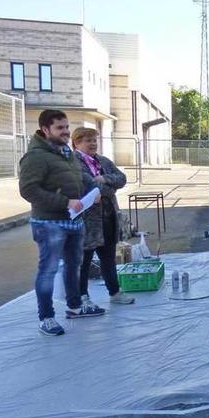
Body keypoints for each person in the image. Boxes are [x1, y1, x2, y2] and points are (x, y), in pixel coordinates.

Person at [19, 110, 105, 337]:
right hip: (49, 224)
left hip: (74, 221)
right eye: (60, 128)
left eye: (67, 127)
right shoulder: (35, 156)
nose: (66, 132)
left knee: (72, 266)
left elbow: (75, 180)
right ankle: (46, 318)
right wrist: (65, 201)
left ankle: (75, 307)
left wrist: (91, 193)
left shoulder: (67, 152)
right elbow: (28, 190)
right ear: (45, 130)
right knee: (47, 271)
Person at [71, 127, 135, 307]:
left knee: (108, 257)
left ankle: (114, 292)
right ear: (76, 142)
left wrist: (105, 179)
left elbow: (121, 178)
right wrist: (107, 187)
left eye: (94, 140)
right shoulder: (73, 163)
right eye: (88, 140)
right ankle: (82, 297)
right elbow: (90, 186)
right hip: (87, 222)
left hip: (108, 218)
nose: (93, 144)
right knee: (84, 261)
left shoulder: (103, 161)